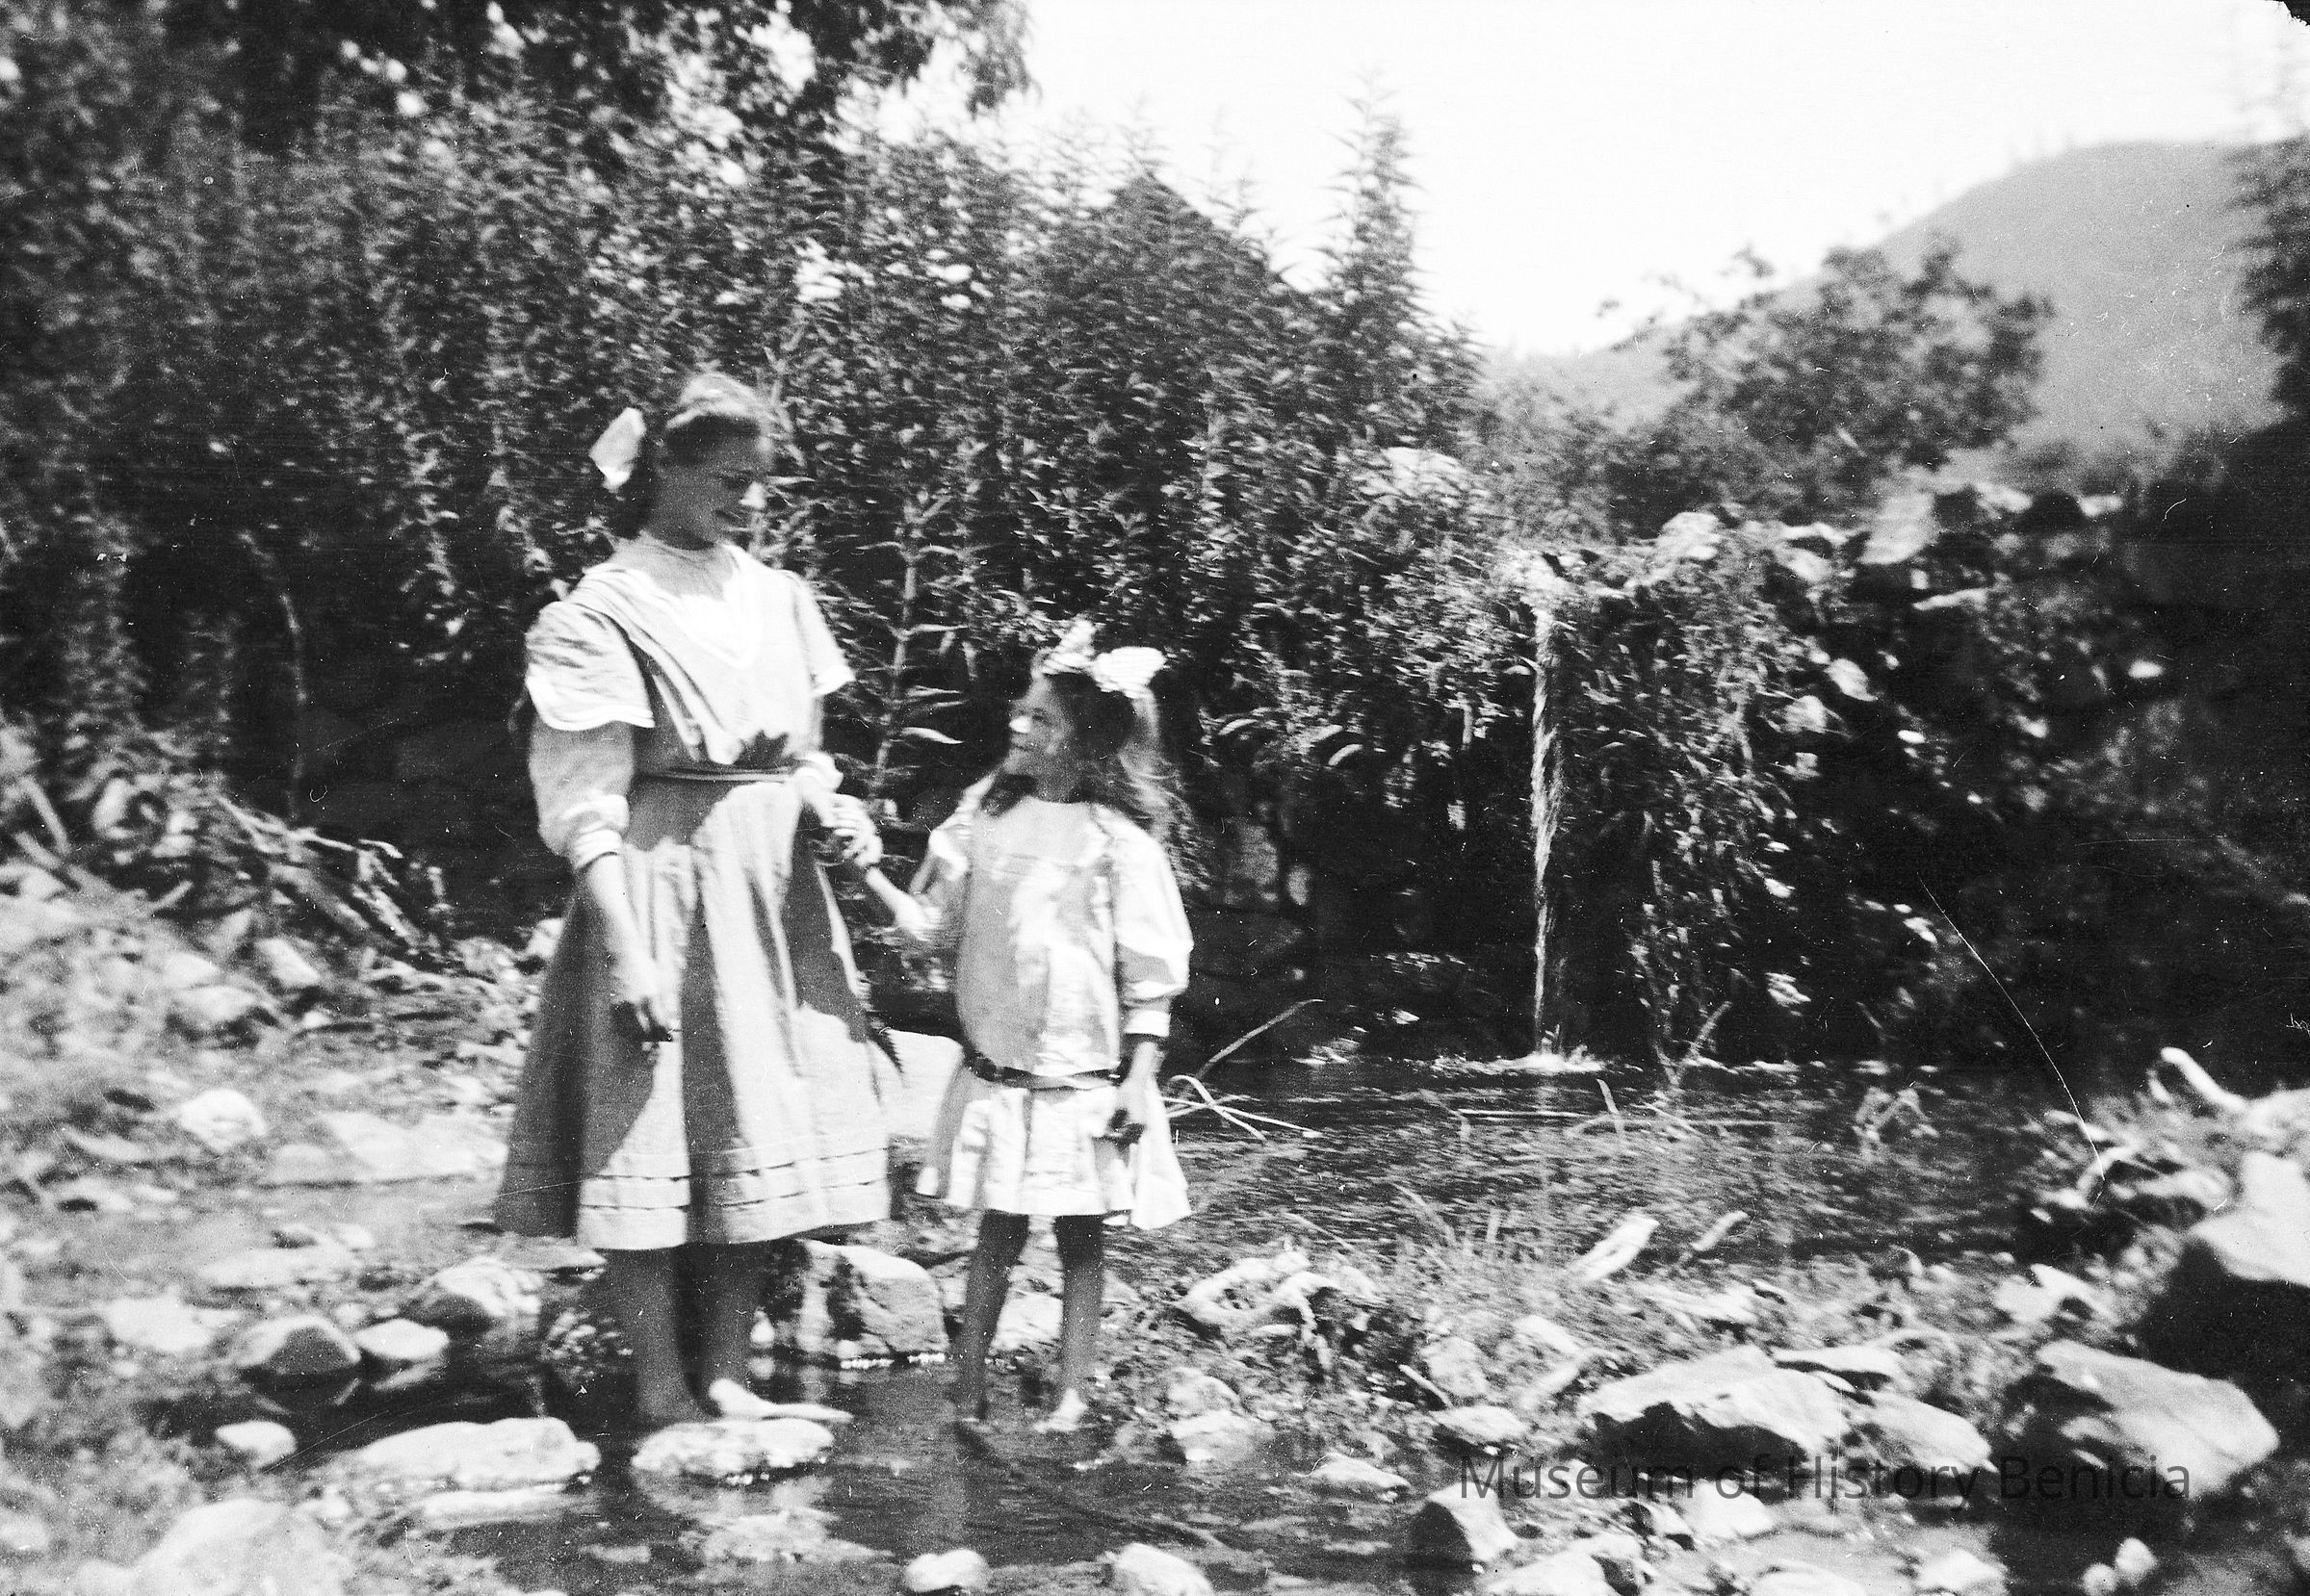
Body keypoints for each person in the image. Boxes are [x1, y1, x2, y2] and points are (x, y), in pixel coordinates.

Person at [494, 373, 889, 1430]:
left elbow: (803, 757)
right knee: (649, 1118)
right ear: (661, 470)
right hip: (660, 883)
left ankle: (726, 1374)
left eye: (760, 483)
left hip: (771, 892)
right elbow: (584, 800)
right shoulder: (599, 610)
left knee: (753, 1114)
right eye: (726, 480)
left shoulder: (780, 599)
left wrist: (834, 811)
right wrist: (627, 948)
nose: (749, 502)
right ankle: (661, 1387)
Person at [852, 621, 1194, 1431]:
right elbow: (929, 928)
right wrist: (860, 868)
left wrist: (1138, 1080)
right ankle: (966, 1386)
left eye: (1039, 718)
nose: (1016, 725)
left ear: (1085, 740)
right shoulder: (983, 823)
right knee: (997, 1230)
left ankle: (1072, 1392)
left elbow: (1150, 978)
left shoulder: (1118, 845)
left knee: (1080, 1238)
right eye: (1021, 711)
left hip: (1085, 1080)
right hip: (1002, 1071)